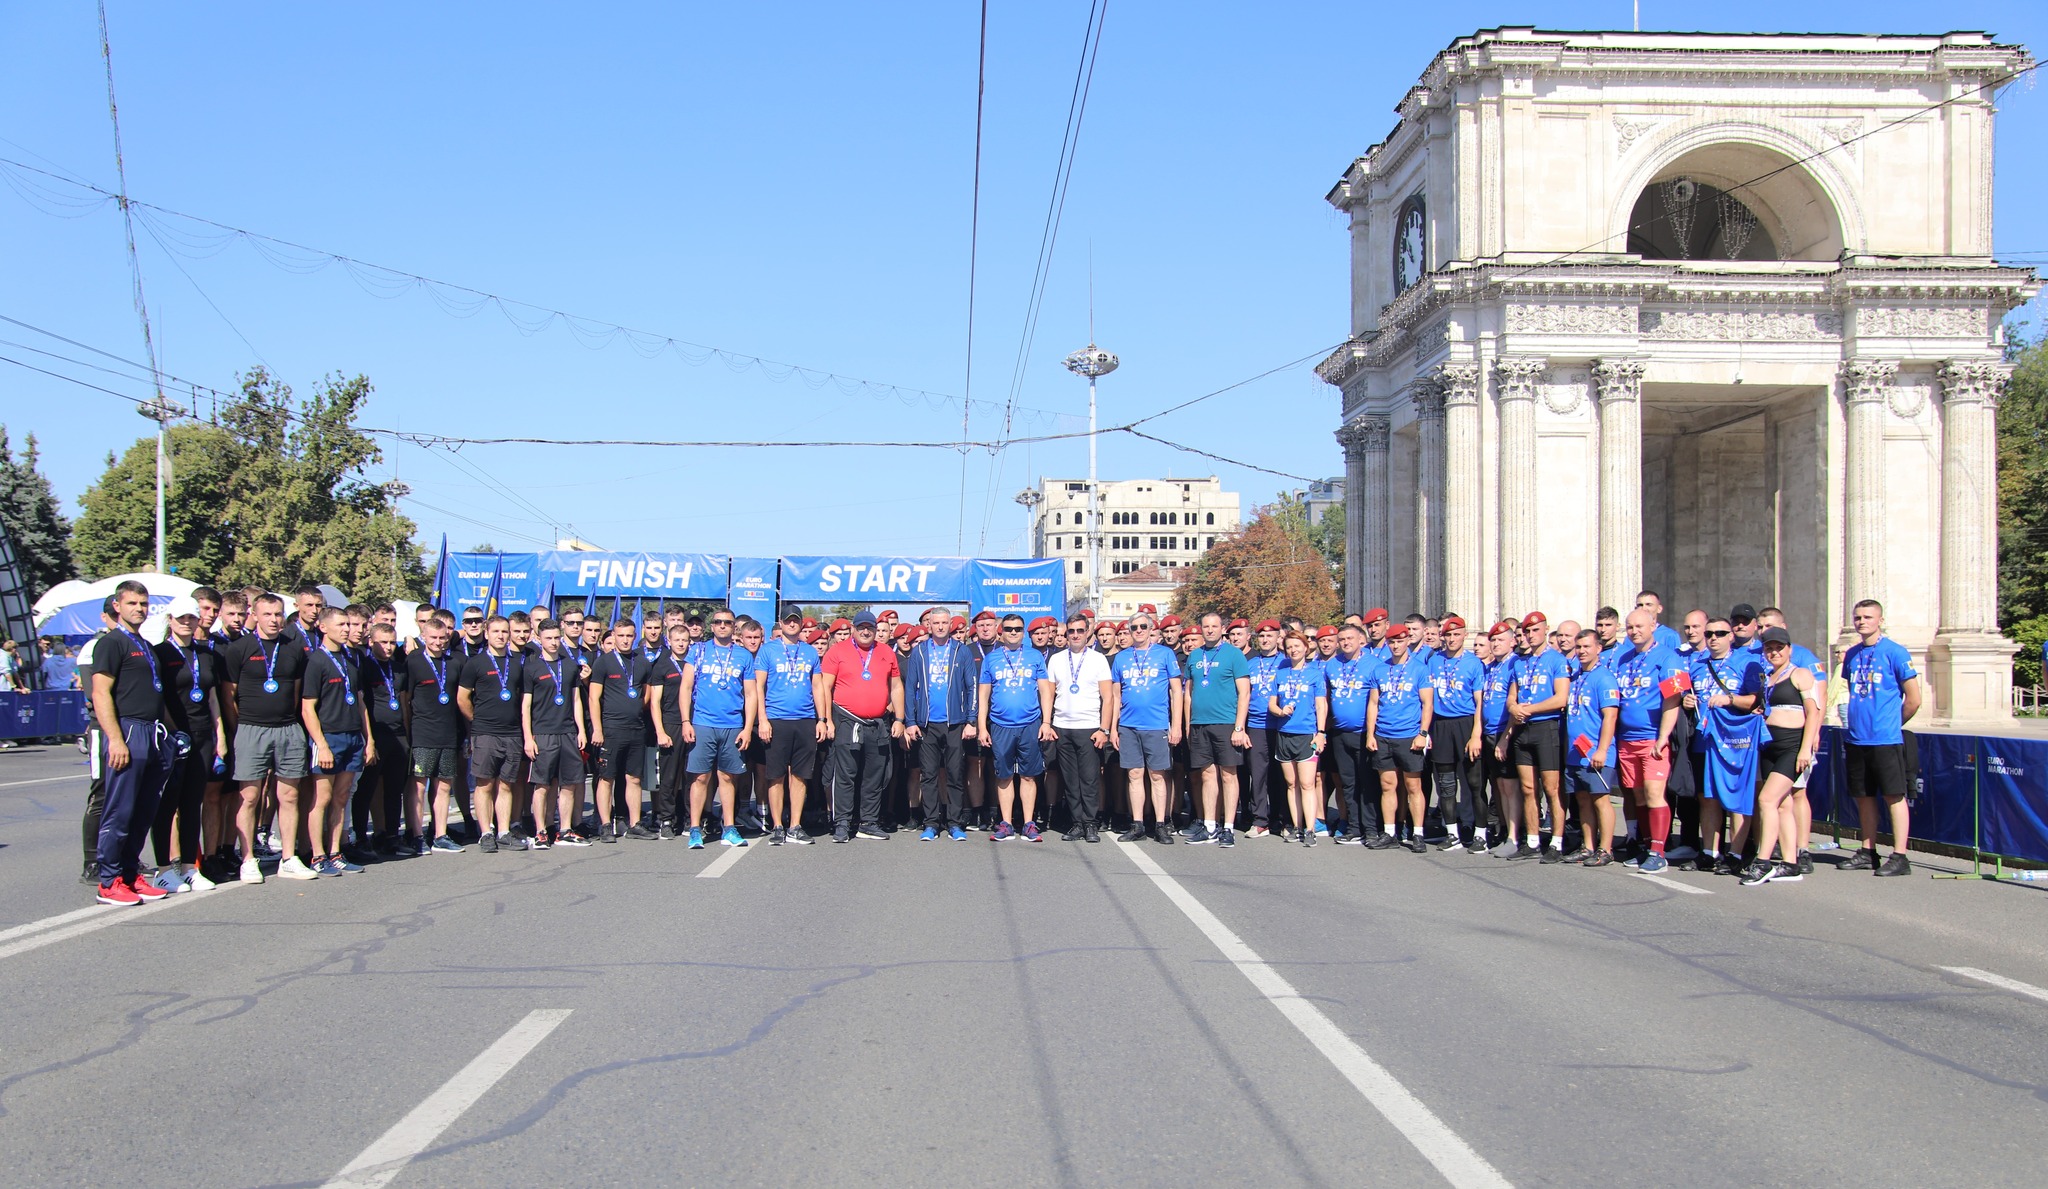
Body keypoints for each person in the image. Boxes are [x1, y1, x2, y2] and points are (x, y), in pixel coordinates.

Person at [89, 581, 176, 905]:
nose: (138, 609)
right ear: (117, 606)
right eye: (132, 603)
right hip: (128, 731)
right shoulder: (111, 643)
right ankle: (108, 881)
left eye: (143, 603)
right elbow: (100, 693)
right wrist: (115, 738)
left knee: (143, 811)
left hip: (152, 733)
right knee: (120, 810)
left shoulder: (145, 644)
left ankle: (130, 874)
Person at [222, 593, 312, 883]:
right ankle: (247, 858)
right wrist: (242, 727)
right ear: (255, 614)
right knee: (249, 796)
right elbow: (229, 695)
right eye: (268, 614)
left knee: (289, 795)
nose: (274, 620)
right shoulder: (239, 648)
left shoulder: (294, 648)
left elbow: (296, 691)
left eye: (278, 614)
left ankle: (289, 857)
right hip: (251, 728)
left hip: (287, 729)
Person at [1840, 599, 1922, 876]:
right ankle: (1868, 850)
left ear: (1880, 620)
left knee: (1893, 796)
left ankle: (1900, 855)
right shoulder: (1851, 655)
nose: (1862, 622)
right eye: (1858, 617)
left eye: (1868, 617)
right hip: (1856, 738)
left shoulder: (1895, 652)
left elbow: (1913, 698)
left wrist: (1892, 724)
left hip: (1885, 739)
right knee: (1863, 797)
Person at [152, 596, 226, 891]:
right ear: (170, 620)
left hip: (202, 735)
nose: (186, 622)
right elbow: (159, 697)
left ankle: (188, 868)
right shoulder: (160, 653)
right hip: (172, 737)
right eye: (181, 618)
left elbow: (212, 698)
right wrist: (173, 732)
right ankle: (162, 868)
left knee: (192, 802)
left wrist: (219, 738)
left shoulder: (206, 654)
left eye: (191, 618)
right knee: (167, 804)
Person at [1741, 626, 1823, 886]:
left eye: (1779, 647)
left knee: (1767, 800)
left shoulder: (1800, 674)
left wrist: (1805, 749)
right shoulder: (1769, 678)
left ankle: (1763, 861)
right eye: (1769, 648)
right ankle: (1790, 864)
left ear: (1789, 649)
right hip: (1770, 746)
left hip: (1792, 746)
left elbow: (1814, 712)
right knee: (1784, 804)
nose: (1774, 652)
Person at [1611, 607, 1686, 873]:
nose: (1634, 632)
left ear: (1654, 625)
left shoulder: (1668, 657)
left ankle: (1658, 852)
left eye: (1639, 626)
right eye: (1630, 627)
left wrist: (1663, 737)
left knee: (1655, 794)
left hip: (1652, 739)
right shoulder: (1624, 659)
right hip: (1626, 740)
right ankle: (1645, 846)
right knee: (1638, 795)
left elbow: (1674, 699)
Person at [1686, 617, 1763, 875]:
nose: (1713, 638)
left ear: (1731, 635)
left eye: (1720, 633)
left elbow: (1756, 701)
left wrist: (1729, 699)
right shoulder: (1696, 664)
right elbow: (1685, 693)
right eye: (1709, 634)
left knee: (1736, 798)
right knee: (1707, 798)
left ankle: (1736, 853)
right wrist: (1687, 700)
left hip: (1733, 742)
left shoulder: (1745, 662)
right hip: (1704, 740)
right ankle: (1709, 852)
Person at [302, 607, 377, 875]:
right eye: (341, 624)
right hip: (330, 737)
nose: (347, 629)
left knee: (342, 797)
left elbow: (359, 702)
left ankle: (335, 851)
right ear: (323, 627)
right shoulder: (316, 661)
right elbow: (307, 707)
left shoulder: (351, 658)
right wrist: (321, 743)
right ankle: (318, 855)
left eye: (349, 624)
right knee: (322, 797)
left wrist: (368, 740)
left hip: (353, 737)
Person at [820, 611, 903, 842]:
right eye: (861, 627)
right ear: (853, 629)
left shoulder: (886, 652)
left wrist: (899, 719)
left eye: (870, 627)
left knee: (874, 775)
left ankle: (868, 822)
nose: (865, 631)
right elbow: (825, 688)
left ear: (876, 630)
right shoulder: (837, 652)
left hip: (877, 724)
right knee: (846, 775)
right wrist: (827, 720)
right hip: (846, 721)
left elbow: (896, 687)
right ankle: (843, 823)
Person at [679, 609, 756, 849]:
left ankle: (729, 828)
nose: (723, 626)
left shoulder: (743, 655)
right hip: (703, 723)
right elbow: (685, 687)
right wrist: (685, 721)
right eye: (718, 622)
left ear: (734, 628)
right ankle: (694, 828)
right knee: (701, 777)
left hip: (732, 724)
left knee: (727, 777)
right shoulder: (698, 650)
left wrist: (747, 727)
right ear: (712, 626)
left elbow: (752, 693)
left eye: (728, 623)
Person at [978, 613, 1055, 841]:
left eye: (1018, 629)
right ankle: (1006, 824)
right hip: (1000, 725)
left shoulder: (1034, 657)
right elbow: (983, 695)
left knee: (1029, 776)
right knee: (1004, 776)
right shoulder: (991, 659)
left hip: (1030, 724)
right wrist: (982, 727)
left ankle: (1029, 824)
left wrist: (1046, 722)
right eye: (1009, 628)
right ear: (1001, 631)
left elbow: (1045, 692)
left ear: (1024, 633)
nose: (1014, 632)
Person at [902, 607, 977, 841]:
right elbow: (910, 687)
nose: (941, 627)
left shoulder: (961, 651)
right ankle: (932, 823)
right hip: (927, 724)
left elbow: (971, 686)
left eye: (945, 623)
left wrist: (971, 720)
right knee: (929, 775)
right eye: (936, 623)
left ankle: (954, 823)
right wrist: (911, 721)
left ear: (951, 625)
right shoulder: (920, 652)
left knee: (955, 774)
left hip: (955, 723)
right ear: (930, 626)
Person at [1502, 611, 1570, 862]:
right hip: (1523, 728)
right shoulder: (1519, 661)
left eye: (1535, 630)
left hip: (1546, 727)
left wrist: (1528, 708)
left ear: (1545, 629)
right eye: (1527, 631)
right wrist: (1513, 707)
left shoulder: (1557, 660)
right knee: (1528, 788)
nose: (1531, 635)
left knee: (1552, 788)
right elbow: (1512, 695)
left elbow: (1560, 698)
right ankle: (1531, 840)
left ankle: (1557, 841)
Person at [754, 607, 825, 845]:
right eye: (788, 621)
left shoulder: (809, 652)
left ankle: (795, 825)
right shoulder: (768, 650)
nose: (792, 624)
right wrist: (762, 719)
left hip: (805, 720)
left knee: (800, 775)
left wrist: (821, 719)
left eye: (796, 621)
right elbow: (759, 687)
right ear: (781, 623)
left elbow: (817, 687)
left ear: (802, 624)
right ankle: (777, 826)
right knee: (775, 776)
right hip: (776, 719)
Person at [1110, 614, 1183, 844]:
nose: (1139, 630)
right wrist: (1113, 728)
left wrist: (1177, 725)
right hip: (1129, 726)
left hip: (1156, 724)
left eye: (1143, 626)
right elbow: (1115, 695)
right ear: (1129, 631)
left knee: (1157, 775)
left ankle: (1160, 824)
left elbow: (1176, 691)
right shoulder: (1121, 658)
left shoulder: (1165, 654)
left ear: (1151, 629)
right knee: (1134, 774)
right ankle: (1137, 824)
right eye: (1134, 627)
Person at [1180, 613, 1250, 847]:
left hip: (1226, 723)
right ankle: (1209, 826)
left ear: (1223, 628)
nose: (1209, 630)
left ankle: (1228, 827)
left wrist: (1239, 727)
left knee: (1228, 775)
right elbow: (1188, 693)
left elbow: (1244, 693)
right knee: (1207, 775)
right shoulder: (1195, 656)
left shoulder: (1234, 654)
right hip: (1200, 723)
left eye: (1214, 626)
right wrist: (1188, 725)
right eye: (1205, 627)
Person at [458, 615, 525, 853]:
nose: (500, 636)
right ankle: (486, 832)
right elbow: (462, 698)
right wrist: (477, 721)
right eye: (495, 631)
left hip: (512, 733)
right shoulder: (475, 663)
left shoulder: (517, 663)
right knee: (484, 784)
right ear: (486, 634)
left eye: (505, 632)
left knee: (506, 784)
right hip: (485, 733)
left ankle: (504, 831)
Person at [1365, 623, 1433, 853]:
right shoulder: (1380, 670)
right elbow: (1373, 703)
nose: (1395, 645)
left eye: (1400, 641)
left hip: (1409, 735)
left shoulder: (1419, 669)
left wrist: (1422, 733)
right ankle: (1390, 832)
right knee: (1387, 785)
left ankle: (1418, 833)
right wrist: (1371, 734)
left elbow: (1427, 704)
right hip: (1383, 735)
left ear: (1407, 642)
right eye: (1392, 642)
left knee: (1413, 785)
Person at [522, 617, 587, 848]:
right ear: (539, 639)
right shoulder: (531, 667)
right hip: (543, 733)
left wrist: (581, 730)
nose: (553, 642)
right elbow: (526, 706)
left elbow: (576, 699)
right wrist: (528, 738)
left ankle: (565, 829)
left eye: (556, 638)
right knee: (542, 785)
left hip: (568, 732)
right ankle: (541, 831)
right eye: (548, 638)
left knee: (569, 784)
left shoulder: (569, 665)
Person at [1048, 614, 1114, 842]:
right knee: (1070, 779)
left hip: (1089, 728)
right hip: (1063, 727)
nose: (1075, 635)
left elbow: (1108, 697)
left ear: (1088, 633)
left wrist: (1103, 729)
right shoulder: (1056, 659)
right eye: (1071, 632)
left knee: (1089, 779)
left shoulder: (1098, 660)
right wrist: (1048, 723)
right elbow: (1049, 694)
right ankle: (1076, 823)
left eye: (1079, 631)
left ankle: (1090, 823)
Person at [407, 612, 467, 853]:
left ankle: (440, 834)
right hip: (423, 733)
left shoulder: (455, 662)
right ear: (424, 636)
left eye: (443, 637)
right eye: (433, 637)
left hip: (449, 733)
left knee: (444, 786)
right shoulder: (413, 660)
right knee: (419, 786)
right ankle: (416, 835)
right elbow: (405, 699)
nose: (439, 642)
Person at [587, 620, 651, 842]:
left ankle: (634, 823)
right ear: (613, 636)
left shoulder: (642, 662)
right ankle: (605, 824)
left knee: (634, 778)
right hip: (611, 730)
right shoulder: (603, 663)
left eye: (629, 636)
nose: (625, 640)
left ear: (635, 636)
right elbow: (594, 698)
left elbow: (647, 694)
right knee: (607, 778)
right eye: (621, 635)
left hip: (636, 729)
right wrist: (597, 729)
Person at [1427, 615, 1486, 852]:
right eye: (1448, 635)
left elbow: (1479, 702)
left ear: (1464, 635)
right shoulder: (1434, 661)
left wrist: (1476, 734)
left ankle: (1480, 834)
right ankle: (1452, 833)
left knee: (1474, 783)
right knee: (1446, 783)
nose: (1451, 639)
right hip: (1441, 725)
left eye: (1456, 634)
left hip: (1465, 722)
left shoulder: (1473, 663)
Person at [1563, 629, 1620, 865]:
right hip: (1575, 753)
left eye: (1587, 646)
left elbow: (1610, 716)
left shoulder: (1604, 678)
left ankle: (1605, 849)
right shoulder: (1576, 677)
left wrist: (1602, 750)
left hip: (1596, 753)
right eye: (1579, 647)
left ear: (1598, 648)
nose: (1582, 651)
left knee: (1600, 799)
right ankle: (1588, 846)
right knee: (1583, 800)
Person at [357, 620, 413, 856]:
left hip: (398, 735)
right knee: (367, 789)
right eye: (383, 642)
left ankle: (392, 835)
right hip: (376, 734)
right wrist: (367, 739)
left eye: (392, 642)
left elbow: (403, 702)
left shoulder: (399, 668)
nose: (389, 647)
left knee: (394, 789)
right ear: (371, 642)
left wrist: (408, 736)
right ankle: (361, 837)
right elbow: (362, 705)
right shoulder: (364, 667)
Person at [1269, 631, 1328, 845]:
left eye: (1297, 646)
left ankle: (1310, 829)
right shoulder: (1281, 672)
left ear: (1306, 647)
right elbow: (1272, 704)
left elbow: (1321, 705)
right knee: (1291, 783)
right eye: (1290, 647)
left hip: (1306, 734)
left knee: (1307, 783)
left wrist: (1321, 732)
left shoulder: (1314, 673)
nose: (1293, 650)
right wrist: (1280, 711)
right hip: (1284, 733)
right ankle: (1296, 826)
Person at [1242, 619, 1287, 838]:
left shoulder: (1286, 663)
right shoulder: (1250, 664)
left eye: (1270, 635)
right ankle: (1260, 820)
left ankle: (1281, 818)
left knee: (1280, 775)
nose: (1265, 639)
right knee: (1257, 775)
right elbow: (1242, 696)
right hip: (1256, 725)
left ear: (1279, 638)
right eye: (1261, 636)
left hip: (1281, 726)